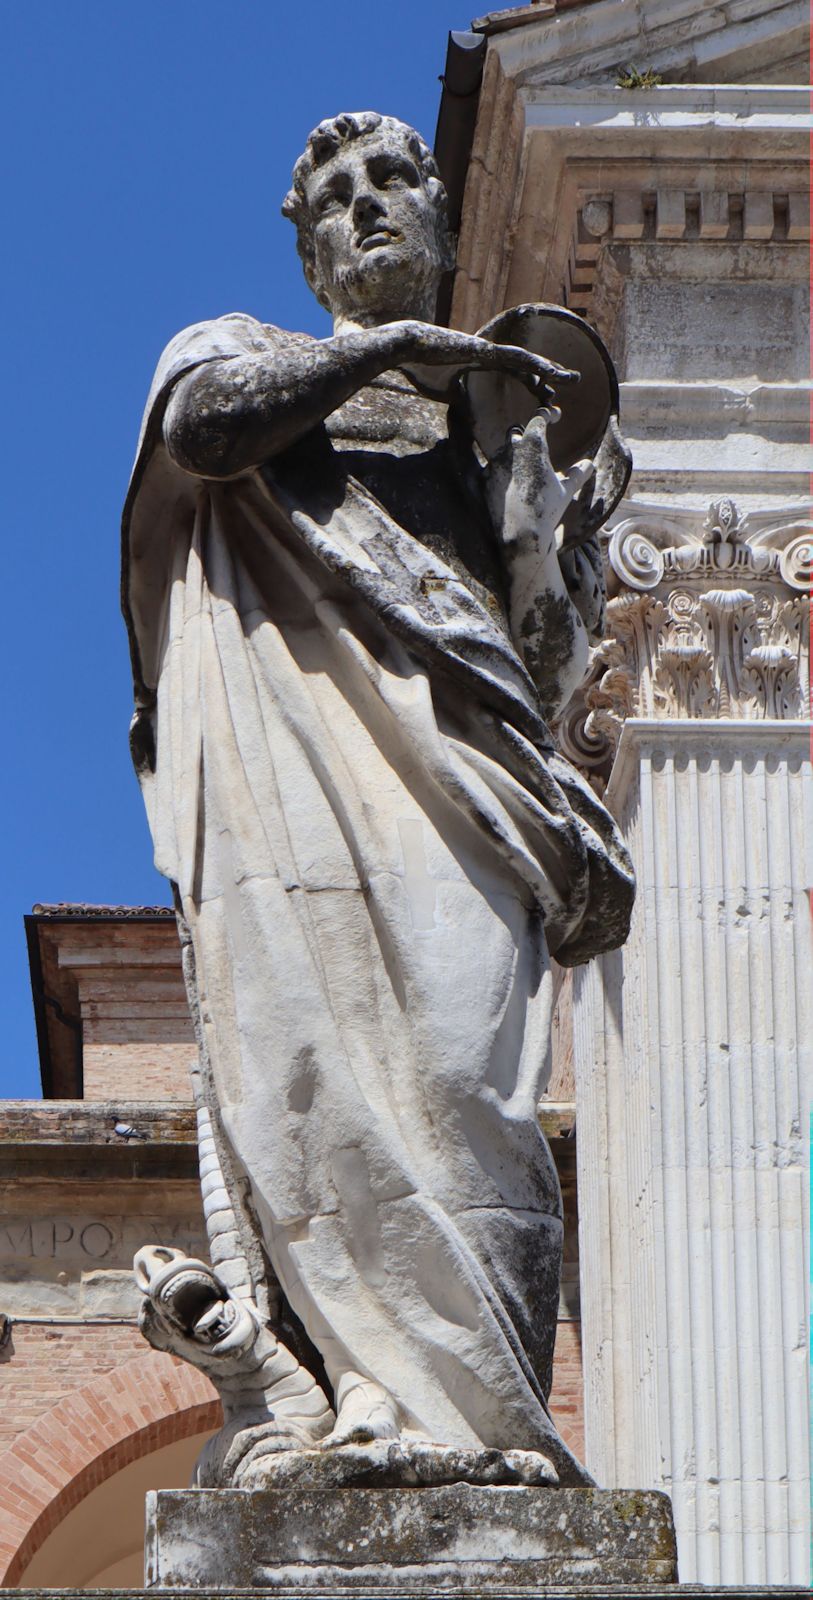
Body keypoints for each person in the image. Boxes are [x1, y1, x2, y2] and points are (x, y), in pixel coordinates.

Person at [123, 111, 634, 1487]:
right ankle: (355, 1409)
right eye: (331, 199)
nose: (363, 211)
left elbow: (531, 662)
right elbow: (200, 432)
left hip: (464, 791)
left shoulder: (491, 429)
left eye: (391, 181)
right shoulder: (236, 355)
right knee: (303, 1073)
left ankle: (492, 1429)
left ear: (442, 218)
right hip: (298, 789)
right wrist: (377, 354)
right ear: (304, 251)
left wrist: (548, 535)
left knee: (473, 1090)